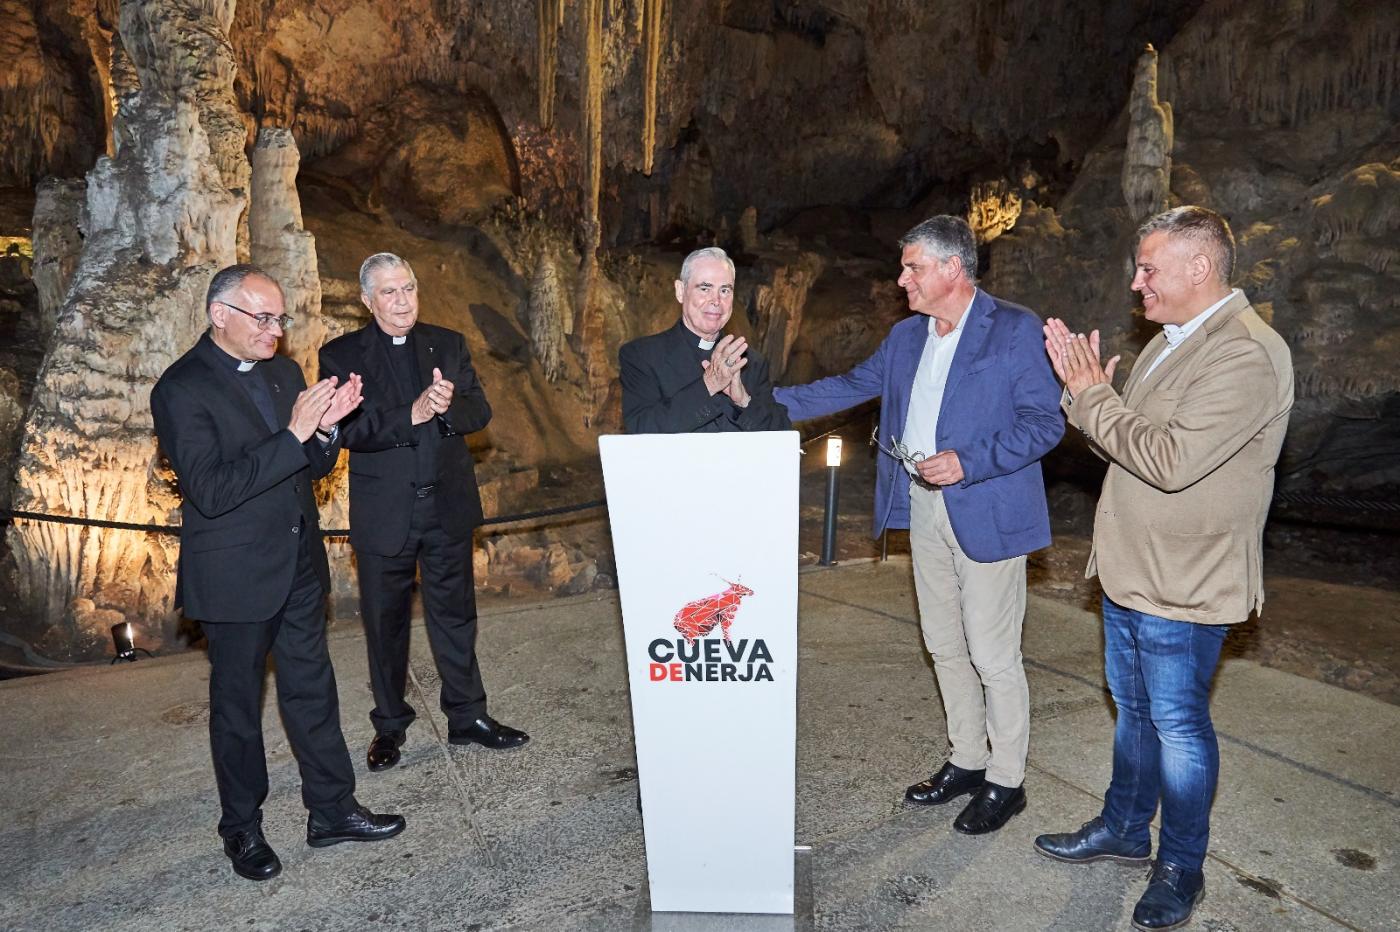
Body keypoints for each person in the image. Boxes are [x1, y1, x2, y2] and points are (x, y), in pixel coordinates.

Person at [1034, 206, 1294, 931]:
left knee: (1178, 727)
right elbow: (1127, 447)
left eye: (1149, 268)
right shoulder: (1167, 344)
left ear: (1199, 267)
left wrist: (1094, 398)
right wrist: (1087, 400)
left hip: (1186, 583)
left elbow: (1170, 461)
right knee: (1134, 712)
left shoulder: (1245, 353)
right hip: (1132, 572)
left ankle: (1181, 865)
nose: (1136, 283)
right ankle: (1124, 828)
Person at [775, 216, 1063, 834]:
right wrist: (756, 402)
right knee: (943, 643)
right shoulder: (907, 336)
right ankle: (968, 759)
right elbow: (848, 385)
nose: (902, 279)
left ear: (952, 268)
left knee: (993, 653)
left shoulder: (1014, 328)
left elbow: (1045, 424)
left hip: (986, 506)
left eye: (913, 268)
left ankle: (1006, 780)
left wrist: (968, 461)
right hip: (923, 506)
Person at [151, 264, 404, 882]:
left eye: (280, 318)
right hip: (235, 575)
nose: (276, 331)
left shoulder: (284, 373)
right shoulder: (180, 389)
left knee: (312, 690)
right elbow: (212, 490)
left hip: (298, 565)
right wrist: (295, 432)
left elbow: (308, 468)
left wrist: (327, 428)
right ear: (220, 315)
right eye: (263, 318)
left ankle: (332, 810)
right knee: (238, 709)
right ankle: (242, 828)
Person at [319, 252, 527, 774]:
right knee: (384, 626)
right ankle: (390, 725)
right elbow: (348, 431)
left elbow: (480, 412)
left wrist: (449, 404)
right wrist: (410, 415)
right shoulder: (341, 354)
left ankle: (467, 715)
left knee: (456, 617)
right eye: (388, 292)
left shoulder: (448, 343)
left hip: (446, 506)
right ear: (367, 301)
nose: (402, 301)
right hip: (385, 514)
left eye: (408, 288)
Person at [619, 246, 791, 433]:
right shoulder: (642, 356)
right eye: (705, 288)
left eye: (724, 290)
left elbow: (781, 435)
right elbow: (641, 430)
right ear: (680, 291)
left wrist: (743, 401)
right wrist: (708, 386)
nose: (716, 301)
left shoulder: (751, 363)